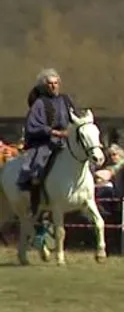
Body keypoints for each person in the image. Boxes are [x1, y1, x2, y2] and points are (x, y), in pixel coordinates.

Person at [17, 68, 80, 217]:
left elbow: (75, 118)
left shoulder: (66, 100)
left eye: (56, 83)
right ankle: (35, 202)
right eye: (50, 84)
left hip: (66, 141)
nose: (54, 86)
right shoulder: (39, 104)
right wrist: (53, 132)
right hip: (45, 142)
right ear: (45, 86)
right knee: (37, 167)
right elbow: (32, 126)